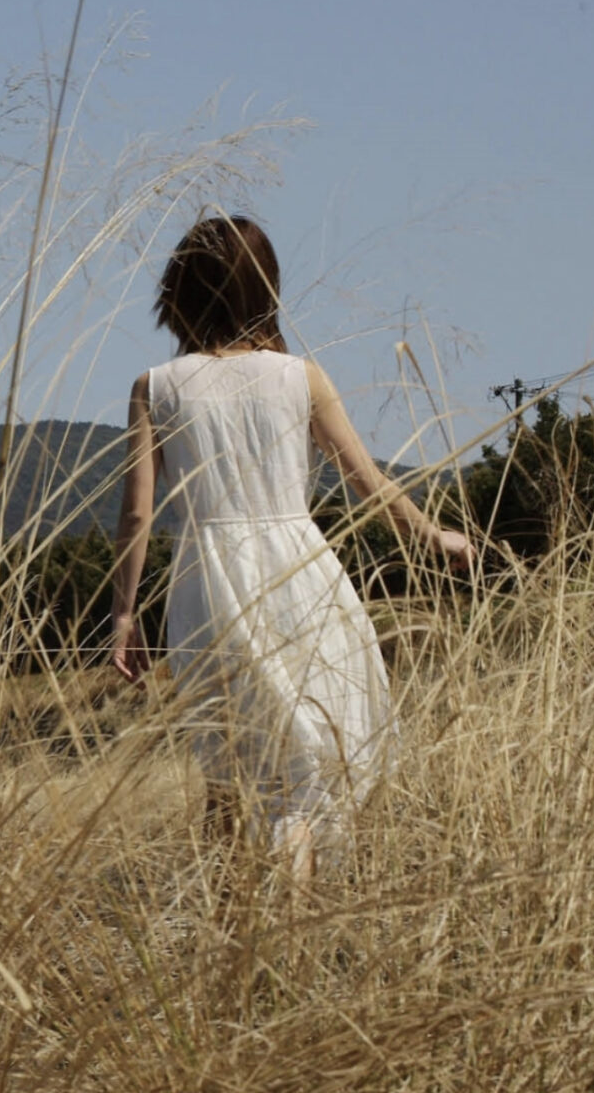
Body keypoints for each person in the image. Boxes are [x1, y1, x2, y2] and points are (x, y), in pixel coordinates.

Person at [107, 215, 472, 882]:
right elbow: (369, 480)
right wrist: (429, 533)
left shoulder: (155, 387)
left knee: (224, 773)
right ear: (266, 289)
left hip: (206, 584)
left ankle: (232, 937)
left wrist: (125, 617)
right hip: (301, 574)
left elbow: (137, 514)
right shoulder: (300, 377)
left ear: (179, 294)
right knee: (307, 763)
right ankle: (290, 928)